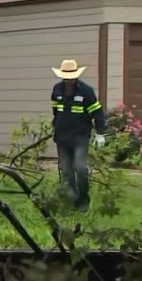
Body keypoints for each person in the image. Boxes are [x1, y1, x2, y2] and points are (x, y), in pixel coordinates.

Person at [50, 58, 106, 212]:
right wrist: (56, 126)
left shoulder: (86, 91)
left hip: (80, 137)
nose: (68, 80)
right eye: (66, 77)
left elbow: (97, 112)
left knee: (80, 168)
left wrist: (100, 133)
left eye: (71, 77)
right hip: (62, 138)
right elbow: (56, 111)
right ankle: (72, 200)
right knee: (67, 171)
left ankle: (83, 201)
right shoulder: (57, 90)